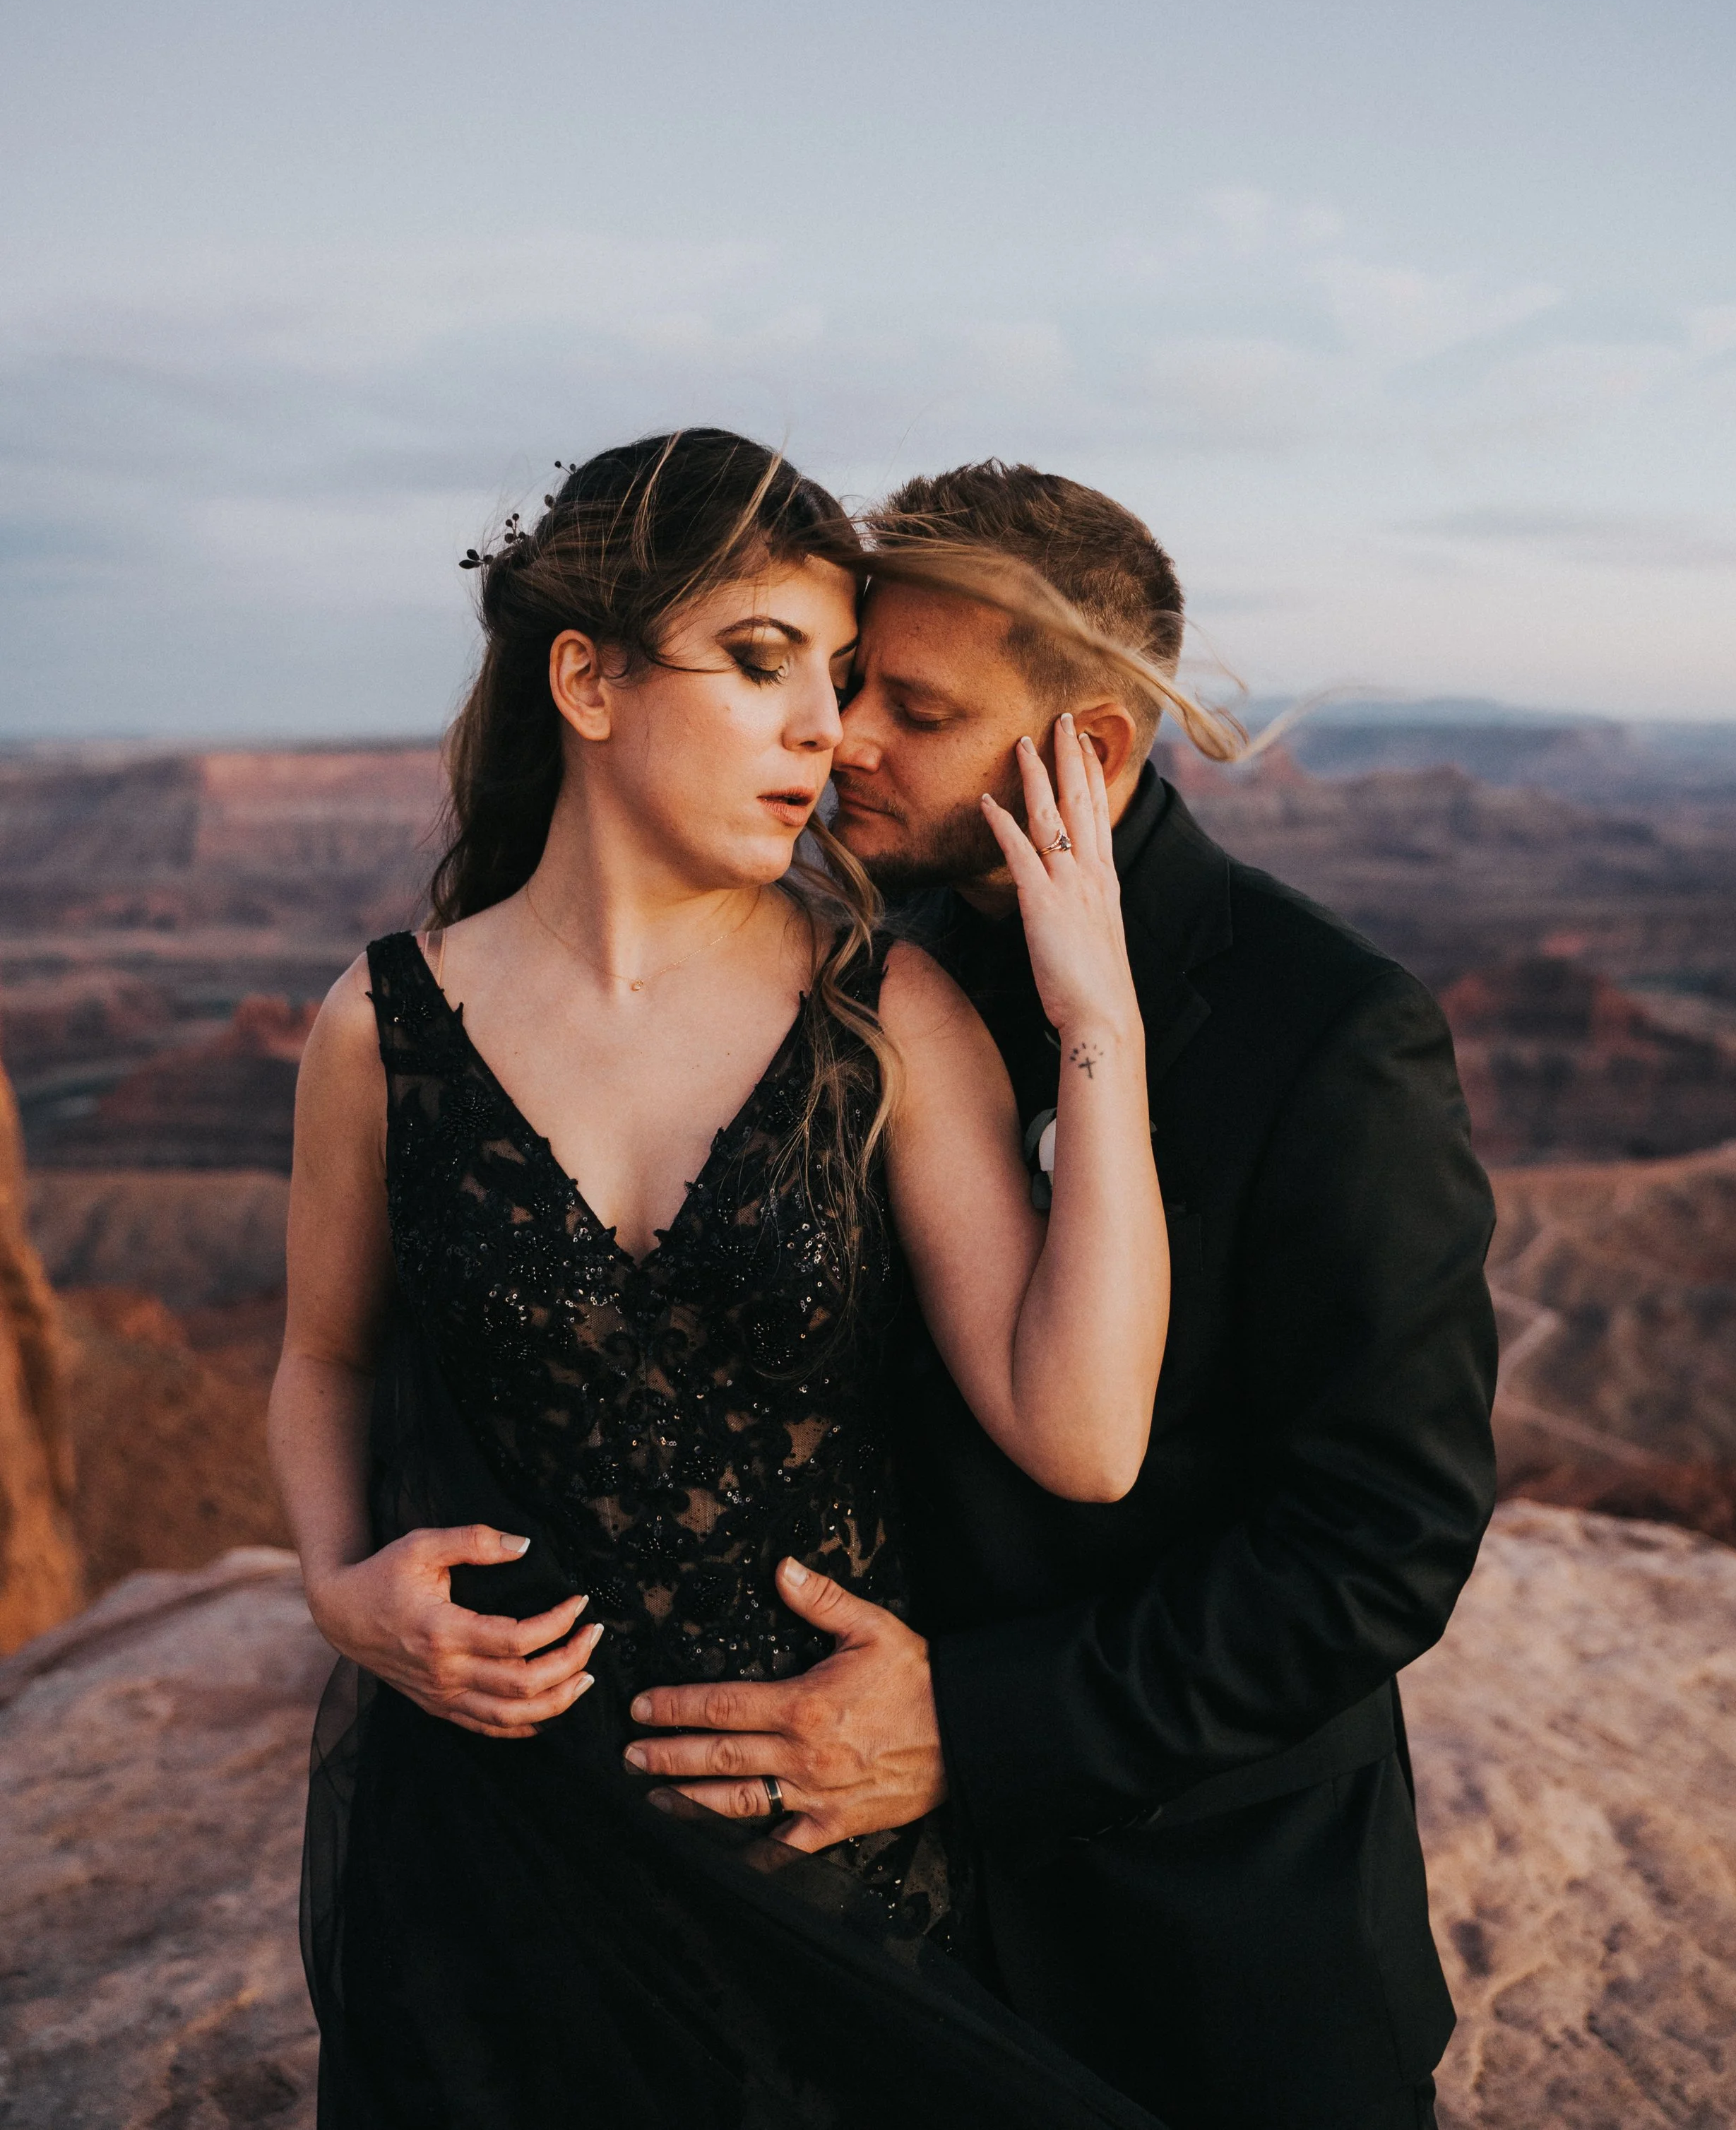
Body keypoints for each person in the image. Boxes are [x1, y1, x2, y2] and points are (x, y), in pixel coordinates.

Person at [270, 429, 1178, 2130]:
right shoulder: (379, 1027)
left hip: (813, 1872)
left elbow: (1083, 1435)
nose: (824, 732)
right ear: (587, 682)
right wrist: (337, 1590)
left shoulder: (881, 1021)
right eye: (763, 666)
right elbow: (321, 1358)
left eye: (835, 680)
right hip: (480, 1862)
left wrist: (1095, 1023)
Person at [624, 461, 1500, 2130]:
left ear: (1084, 749)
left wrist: (967, 1722)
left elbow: (1377, 1541)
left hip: (1214, 1960)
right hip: (872, 1946)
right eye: (841, 680)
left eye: (915, 709)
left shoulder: (1318, 1030)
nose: (843, 736)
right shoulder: (854, 966)